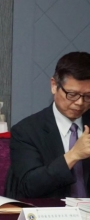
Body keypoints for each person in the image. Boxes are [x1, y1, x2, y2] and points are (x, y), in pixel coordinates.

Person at [7, 51, 90, 198]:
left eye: (88, 96)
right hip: (50, 210)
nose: (80, 102)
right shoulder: (26, 131)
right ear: (54, 85)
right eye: (72, 94)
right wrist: (73, 155)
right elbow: (29, 186)